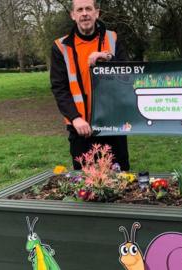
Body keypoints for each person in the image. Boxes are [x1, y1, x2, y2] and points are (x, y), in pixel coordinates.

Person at [50, 0, 130, 170]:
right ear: (73, 15)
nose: (84, 13)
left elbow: (128, 75)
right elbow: (60, 88)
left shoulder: (112, 38)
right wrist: (75, 118)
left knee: (121, 183)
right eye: (79, 9)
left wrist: (108, 58)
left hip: (113, 126)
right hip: (81, 129)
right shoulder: (61, 47)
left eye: (88, 8)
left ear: (97, 13)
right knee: (85, 186)